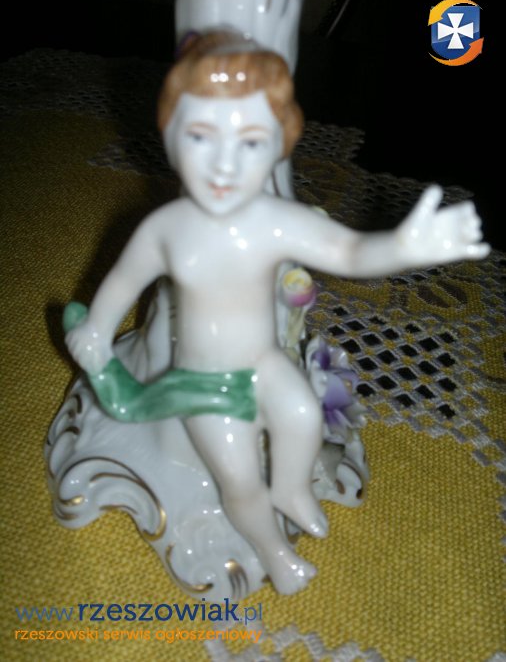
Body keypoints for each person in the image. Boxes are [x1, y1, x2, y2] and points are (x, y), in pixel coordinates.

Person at [66, 31, 489, 594]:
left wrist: (405, 248)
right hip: (204, 383)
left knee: (303, 416)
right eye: (200, 136)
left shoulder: (273, 221)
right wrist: (96, 328)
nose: (223, 165)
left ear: (275, 147)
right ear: (170, 135)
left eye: (249, 142)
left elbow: (349, 252)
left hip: (264, 362)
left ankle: (291, 489)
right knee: (239, 481)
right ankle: (275, 553)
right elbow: (122, 280)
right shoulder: (166, 231)